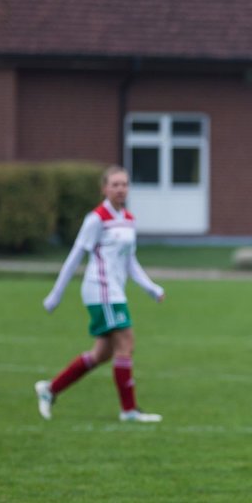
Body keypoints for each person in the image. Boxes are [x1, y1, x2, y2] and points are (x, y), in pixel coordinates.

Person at [35, 165, 165, 423]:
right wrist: (56, 294)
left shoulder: (128, 219)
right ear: (104, 188)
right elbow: (75, 256)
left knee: (103, 353)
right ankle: (128, 411)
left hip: (116, 291)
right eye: (115, 184)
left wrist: (151, 288)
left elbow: (130, 262)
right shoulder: (96, 218)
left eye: (124, 184)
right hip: (101, 289)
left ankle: (50, 390)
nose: (120, 189)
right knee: (126, 342)